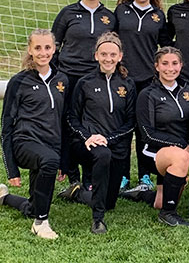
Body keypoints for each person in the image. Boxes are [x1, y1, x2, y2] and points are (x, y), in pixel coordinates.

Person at [0, 29, 68, 240]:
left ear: (54, 49)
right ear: (30, 50)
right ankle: (41, 224)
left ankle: (3, 197)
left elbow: (64, 122)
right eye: (37, 48)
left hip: (51, 145)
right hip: (24, 143)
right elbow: (6, 126)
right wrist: (12, 169)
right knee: (49, 161)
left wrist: (65, 161)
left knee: (34, 205)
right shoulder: (19, 82)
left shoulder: (62, 80)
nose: (43, 52)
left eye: (47, 47)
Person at [60, 32, 136, 234]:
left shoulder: (128, 84)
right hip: (87, 145)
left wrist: (109, 139)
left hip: (116, 145)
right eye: (103, 54)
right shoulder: (84, 83)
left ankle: (78, 192)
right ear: (96, 55)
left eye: (113, 54)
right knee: (102, 154)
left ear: (120, 56)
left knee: (108, 201)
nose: (108, 59)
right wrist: (88, 136)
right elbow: (71, 118)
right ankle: (98, 220)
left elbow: (131, 122)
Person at [52, 0, 116, 187]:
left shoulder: (109, 16)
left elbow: (113, 46)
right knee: (69, 123)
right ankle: (71, 175)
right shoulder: (68, 13)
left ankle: (89, 175)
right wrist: (58, 71)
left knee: (89, 124)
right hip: (69, 76)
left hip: (94, 78)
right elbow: (54, 44)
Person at [124, 47, 189, 226]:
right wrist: (180, 145)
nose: (170, 68)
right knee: (180, 158)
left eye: (174, 63)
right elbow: (147, 134)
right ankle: (168, 213)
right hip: (153, 151)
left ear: (181, 65)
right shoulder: (148, 94)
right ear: (156, 66)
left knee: (158, 201)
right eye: (164, 63)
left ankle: (140, 193)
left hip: (180, 151)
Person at [114, 0, 171, 192]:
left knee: (145, 129)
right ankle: (122, 176)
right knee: (123, 128)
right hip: (123, 79)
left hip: (148, 80)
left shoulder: (159, 15)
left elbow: (166, 46)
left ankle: (146, 176)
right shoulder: (120, 11)